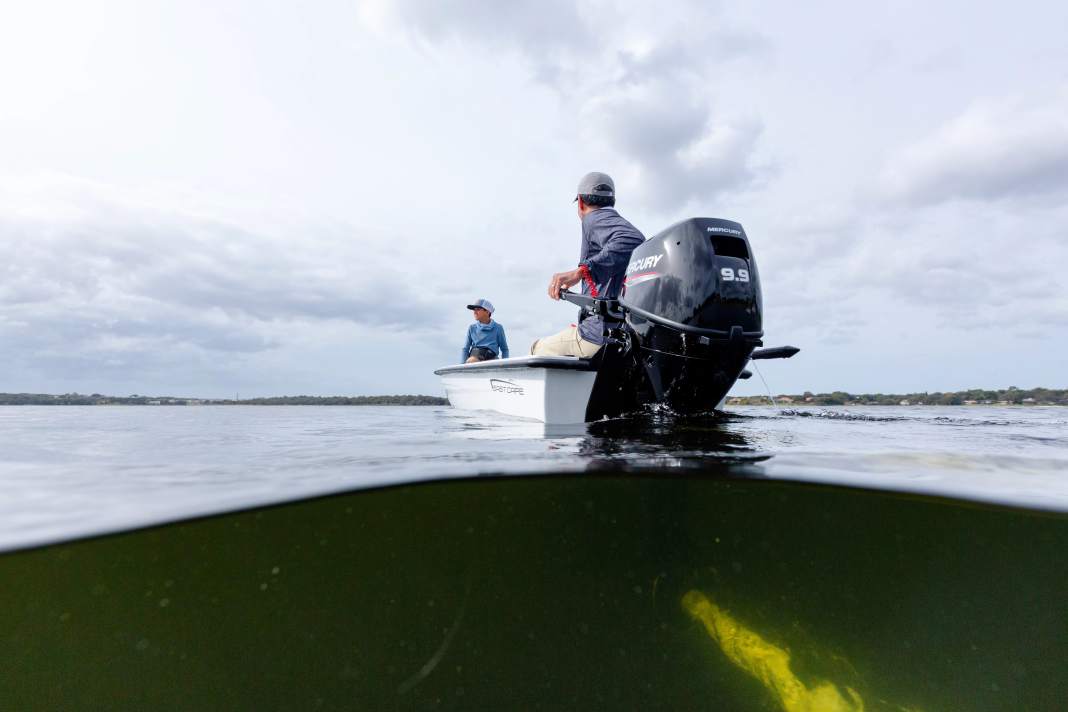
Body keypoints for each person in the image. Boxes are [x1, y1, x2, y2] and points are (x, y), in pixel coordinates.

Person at [531, 171, 645, 357]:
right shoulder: (617, 221)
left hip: (597, 337)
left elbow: (631, 240)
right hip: (623, 335)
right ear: (612, 201)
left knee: (537, 348)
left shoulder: (594, 219)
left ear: (581, 203)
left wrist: (581, 271)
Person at [461, 298, 510, 363]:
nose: (475, 312)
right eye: (474, 310)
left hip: (491, 359)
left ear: (487, 311)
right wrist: (462, 366)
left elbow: (504, 349)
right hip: (474, 358)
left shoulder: (498, 328)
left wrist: (505, 365)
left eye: (478, 309)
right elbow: (465, 349)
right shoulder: (472, 328)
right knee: (472, 360)